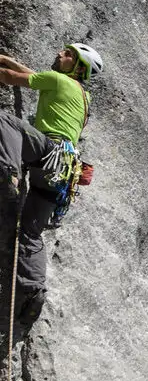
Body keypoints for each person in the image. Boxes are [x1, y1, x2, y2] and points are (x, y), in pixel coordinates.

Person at [0, 43, 103, 346]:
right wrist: (5, 57)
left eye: (68, 54)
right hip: (63, 172)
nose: (60, 55)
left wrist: (3, 63)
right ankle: (33, 292)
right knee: (30, 233)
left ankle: (8, 173)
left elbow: (8, 77)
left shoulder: (57, 80)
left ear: (77, 67)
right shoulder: (84, 97)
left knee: (4, 121)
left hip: (46, 152)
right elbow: (32, 74)